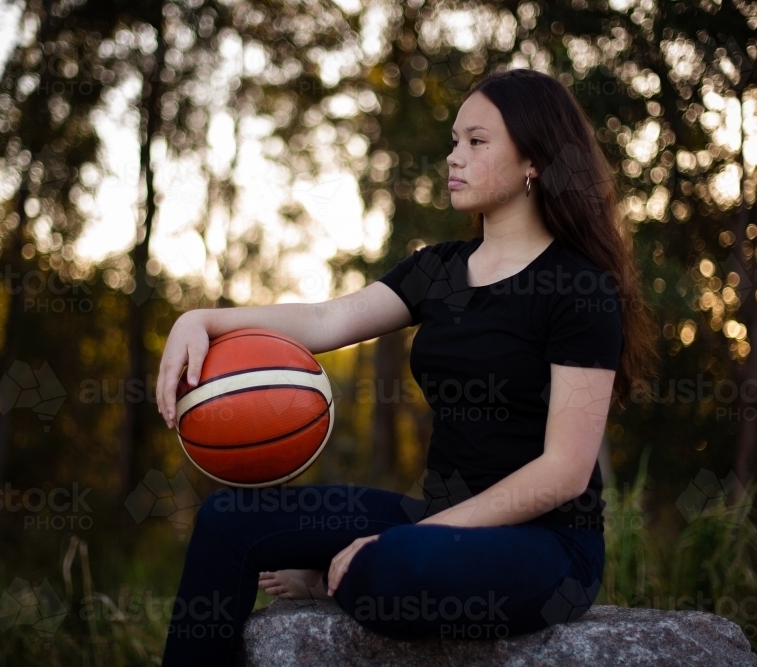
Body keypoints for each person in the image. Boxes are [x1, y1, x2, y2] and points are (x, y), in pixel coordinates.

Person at [155, 67, 660, 666]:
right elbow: (324, 322)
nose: (454, 157)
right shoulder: (437, 270)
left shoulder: (578, 289)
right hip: (438, 516)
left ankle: (338, 577)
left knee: (389, 567)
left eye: (477, 142)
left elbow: (563, 474)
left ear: (535, 160)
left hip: (547, 544)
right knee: (227, 520)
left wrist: (410, 538)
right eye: (454, 141)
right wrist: (203, 320)